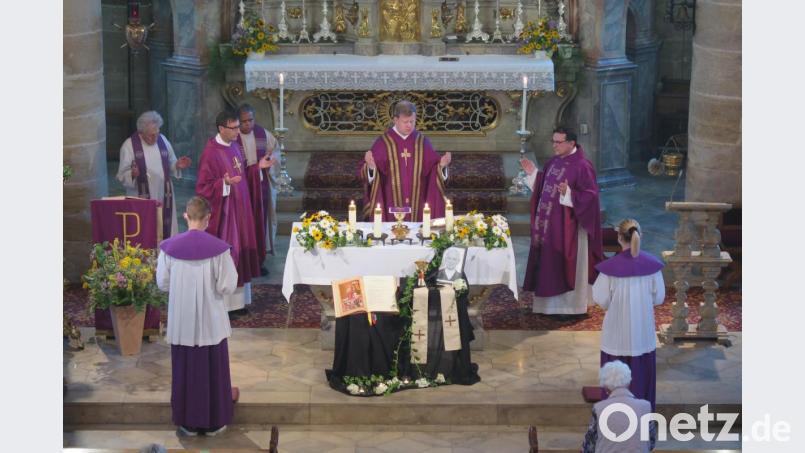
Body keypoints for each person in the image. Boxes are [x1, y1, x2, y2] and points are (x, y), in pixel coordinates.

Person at [156, 196, 238, 437]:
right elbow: (227, 286)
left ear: (185, 216)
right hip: (210, 322)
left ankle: (187, 423)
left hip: (182, 321)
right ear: (208, 218)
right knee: (213, 370)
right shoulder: (219, 249)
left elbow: (162, 283)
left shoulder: (169, 248)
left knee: (185, 370)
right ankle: (214, 422)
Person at [520, 126, 604, 316]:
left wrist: (570, 194)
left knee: (565, 265)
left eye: (558, 142)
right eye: (553, 141)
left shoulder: (583, 165)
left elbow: (591, 197)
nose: (554, 145)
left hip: (569, 228)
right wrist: (534, 174)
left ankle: (570, 308)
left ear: (571, 143)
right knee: (549, 264)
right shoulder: (554, 161)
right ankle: (548, 307)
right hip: (549, 227)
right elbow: (545, 186)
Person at [592, 219, 665, 410]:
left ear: (619, 238)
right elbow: (659, 299)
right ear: (641, 236)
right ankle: (642, 425)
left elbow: (601, 299)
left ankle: (613, 422)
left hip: (616, 335)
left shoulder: (609, 269)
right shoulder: (653, 267)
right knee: (642, 383)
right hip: (642, 334)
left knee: (615, 382)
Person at [196, 110, 263, 315]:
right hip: (226, 215)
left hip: (241, 208)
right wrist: (223, 184)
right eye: (233, 128)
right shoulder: (211, 152)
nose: (237, 131)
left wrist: (259, 167)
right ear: (221, 128)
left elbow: (242, 172)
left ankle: (240, 302)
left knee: (242, 250)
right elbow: (202, 187)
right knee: (230, 253)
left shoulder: (234, 146)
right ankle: (226, 305)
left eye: (237, 127)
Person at [358, 100, 451, 222]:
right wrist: (371, 168)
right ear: (395, 120)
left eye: (412, 121)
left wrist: (442, 167)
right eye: (405, 122)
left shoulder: (422, 141)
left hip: (418, 205)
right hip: (389, 204)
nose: (409, 125)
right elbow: (369, 174)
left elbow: (433, 169)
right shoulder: (383, 142)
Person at [116, 111, 192, 238]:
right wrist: (132, 174)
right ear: (141, 133)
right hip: (140, 196)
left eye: (157, 133)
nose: (155, 138)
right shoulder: (129, 146)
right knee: (145, 231)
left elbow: (171, 161)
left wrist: (177, 165)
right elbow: (121, 174)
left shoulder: (162, 140)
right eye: (151, 135)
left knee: (164, 228)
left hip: (164, 193)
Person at [236, 103, 280, 275]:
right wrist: (256, 168)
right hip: (242, 188)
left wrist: (270, 161)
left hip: (261, 186)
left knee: (260, 221)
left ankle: (259, 259)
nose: (248, 124)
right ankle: (243, 259)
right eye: (244, 121)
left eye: (250, 120)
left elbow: (276, 152)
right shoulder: (233, 136)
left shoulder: (263, 134)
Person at [582, 361, 657, 453]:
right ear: (629, 382)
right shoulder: (645, 406)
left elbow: (588, 445)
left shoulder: (599, 408)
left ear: (605, 387)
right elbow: (651, 442)